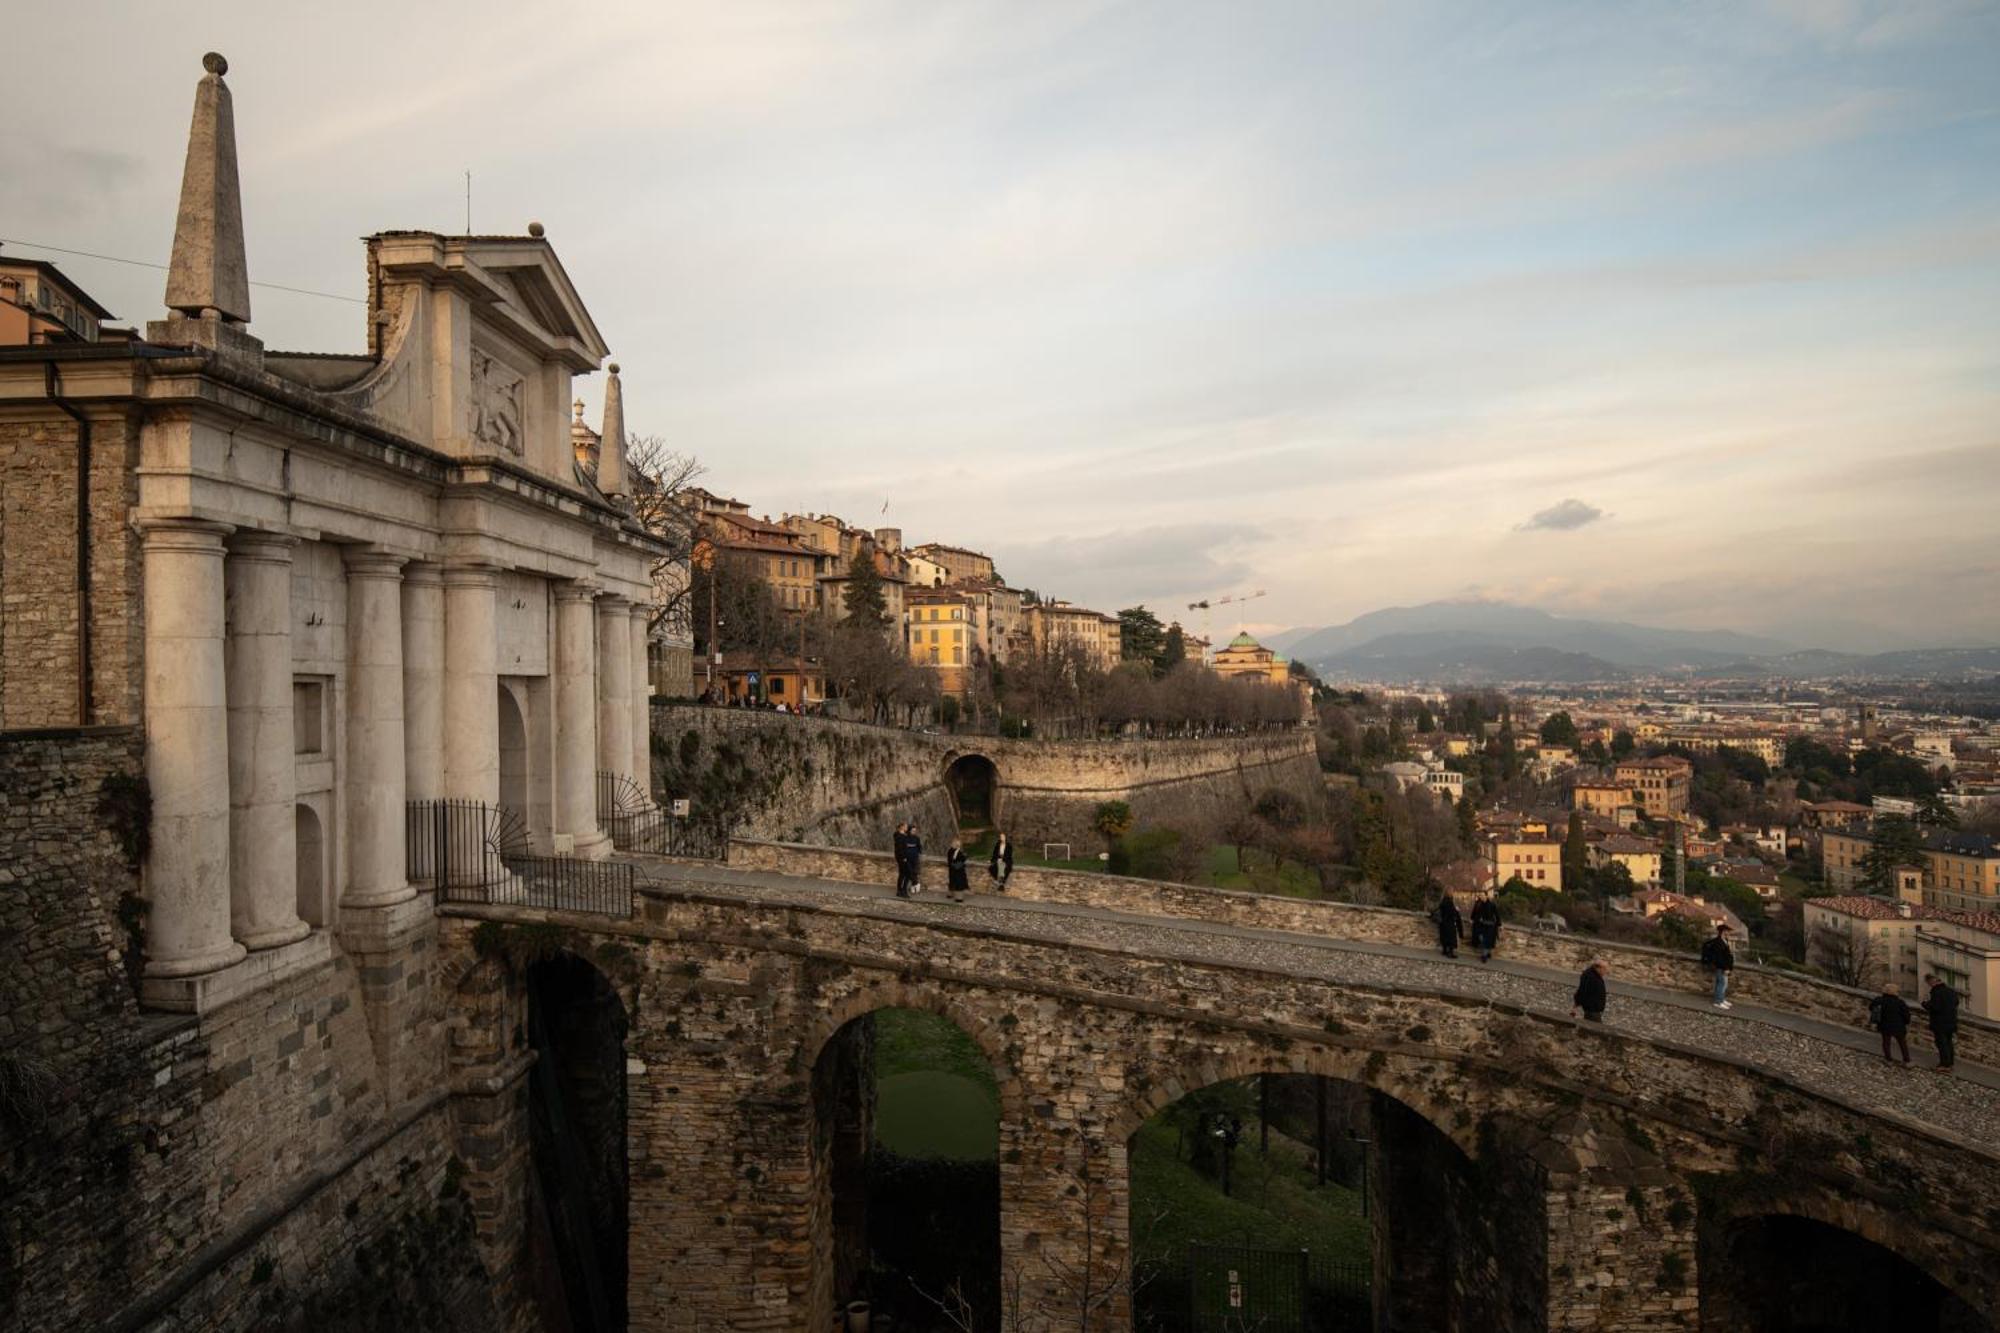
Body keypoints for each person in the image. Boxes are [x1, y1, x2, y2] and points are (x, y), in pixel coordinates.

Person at [1922, 973, 1960, 1073]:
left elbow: (1935, 1007)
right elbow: (1956, 1002)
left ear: (1932, 982)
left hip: (1940, 1023)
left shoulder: (1936, 993)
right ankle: (1950, 1063)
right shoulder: (1951, 991)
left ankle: (1944, 1065)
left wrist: (1925, 1004)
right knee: (1948, 1043)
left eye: (1929, 983)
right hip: (1951, 1021)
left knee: (1941, 1044)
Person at [1873, 983, 1912, 1065]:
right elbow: (1906, 1015)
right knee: (1902, 1043)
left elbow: (1871, 1008)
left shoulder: (1879, 1000)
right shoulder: (1900, 1002)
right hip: (1899, 1025)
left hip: (1885, 1025)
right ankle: (1907, 1060)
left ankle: (1888, 1059)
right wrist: (1905, 1022)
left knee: (1886, 1042)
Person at [1700, 923, 1735, 1010]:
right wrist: (1725, 968)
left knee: (1723, 984)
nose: (1729, 933)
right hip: (1721, 967)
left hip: (1724, 966)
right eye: (1727, 931)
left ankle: (1721, 999)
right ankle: (1718, 1001)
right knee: (1721, 983)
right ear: (1723, 931)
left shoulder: (1725, 941)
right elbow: (1719, 957)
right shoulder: (1718, 942)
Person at [1469, 891, 1502, 964]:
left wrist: (1499, 924)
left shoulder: (1492, 904)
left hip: (1490, 926)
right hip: (1481, 925)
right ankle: (1487, 953)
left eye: (1483, 895)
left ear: (1486, 896)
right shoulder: (1478, 903)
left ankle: (1484, 955)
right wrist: (1472, 918)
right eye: (1480, 895)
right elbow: (1474, 912)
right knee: (1482, 939)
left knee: (1487, 940)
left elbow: (1497, 914)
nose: (1481, 897)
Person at [1433, 890, 1462, 959]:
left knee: (1444, 937)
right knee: (1451, 938)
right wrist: (1456, 910)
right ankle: (1450, 953)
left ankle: (1444, 951)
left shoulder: (1443, 901)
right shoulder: (1449, 902)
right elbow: (1451, 912)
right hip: (1449, 922)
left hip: (1443, 922)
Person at [892, 822, 912, 898]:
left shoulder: (902, 835)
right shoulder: (899, 836)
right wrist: (904, 858)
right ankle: (902, 891)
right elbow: (900, 849)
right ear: (902, 827)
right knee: (906, 874)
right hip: (902, 858)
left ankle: (900, 891)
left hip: (903, 858)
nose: (907, 828)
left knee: (902, 874)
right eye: (906, 826)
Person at [905, 824, 924, 895]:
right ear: (909, 831)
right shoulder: (906, 838)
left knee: (914, 872)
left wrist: (919, 852)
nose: (914, 832)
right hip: (907, 858)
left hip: (915, 857)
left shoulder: (917, 838)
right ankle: (916, 883)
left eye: (915, 831)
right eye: (913, 831)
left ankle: (913, 887)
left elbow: (919, 847)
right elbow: (904, 847)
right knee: (909, 871)